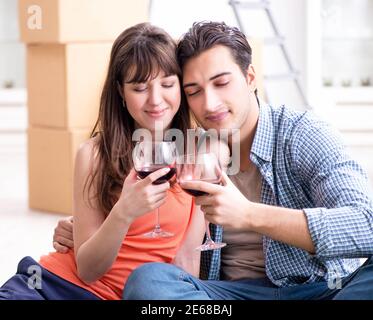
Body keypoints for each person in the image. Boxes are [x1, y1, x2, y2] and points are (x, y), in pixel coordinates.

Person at [54, 21, 373, 300]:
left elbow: (367, 226)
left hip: (323, 290)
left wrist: (250, 214)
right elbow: (150, 230)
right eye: (193, 90)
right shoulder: (190, 149)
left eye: (221, 83)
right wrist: (84, 226)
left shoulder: (302, 135)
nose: (210, 103)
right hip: (229, 295)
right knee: (149, 282)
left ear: (250, 77)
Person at [0, 22, 205, 300]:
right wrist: (124, 212)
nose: (156, 100)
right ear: (120, 91)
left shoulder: (197, 152)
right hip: (54, 286)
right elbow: (87, 270)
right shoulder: (94, 154)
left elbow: (186, 266)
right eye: (139, 87)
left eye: (167, 84)